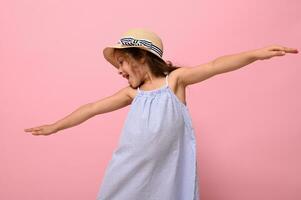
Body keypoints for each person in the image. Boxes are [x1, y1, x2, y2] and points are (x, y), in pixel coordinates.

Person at [24, 28, 298, 200]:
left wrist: (257, 53)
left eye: (121, 62)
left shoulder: (175, 82)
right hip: (128, 169)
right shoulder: (132, 94)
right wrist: (55, 126)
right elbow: (92, 108)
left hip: (167, 171)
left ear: (141, 56)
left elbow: (216, 65)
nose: (119, 70)